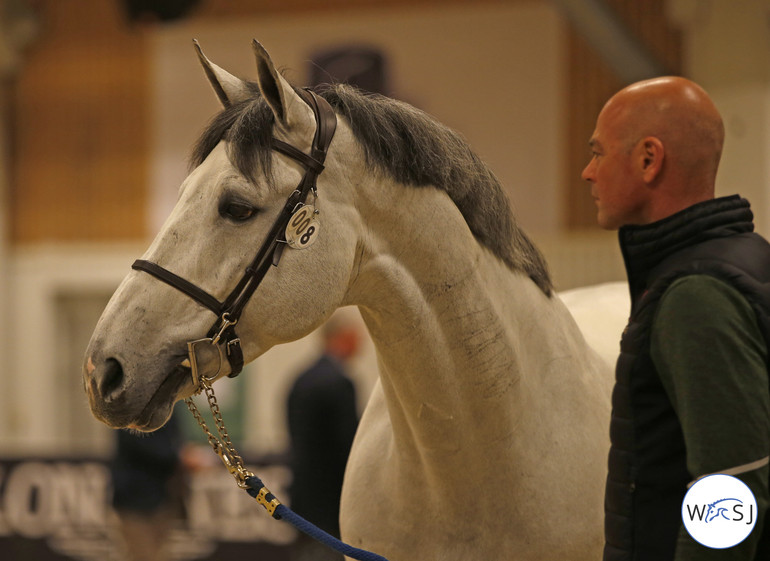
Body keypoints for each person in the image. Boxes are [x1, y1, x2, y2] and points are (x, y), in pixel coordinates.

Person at [582, 76, 770, 560]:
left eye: (598, 153)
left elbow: (730, 486)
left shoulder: (696, 294)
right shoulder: (743, 258)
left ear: (649, 159)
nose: (587, 172)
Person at [286, 313, 361, 561]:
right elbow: (348, 446)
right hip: (332, 503)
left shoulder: (300, 379)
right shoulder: (340, 383)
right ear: (342, 338)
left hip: (303, 499)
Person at [111, 409, 186, 561]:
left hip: (163, 495)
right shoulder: (129, 406)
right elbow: (143, 446)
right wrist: (180, 457)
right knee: (142, 555)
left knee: (160, 554)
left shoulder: (172, 405)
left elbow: (176, 439)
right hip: (133, 497)